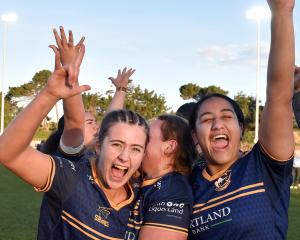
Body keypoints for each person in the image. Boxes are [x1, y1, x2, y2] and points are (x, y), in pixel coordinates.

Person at [0, 28, 150, 240]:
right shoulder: (72, 176)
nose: (125, 156)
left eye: (136, 148)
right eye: (116, 144)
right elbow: (9, 152)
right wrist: (52, 93)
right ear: (99, 144)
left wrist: (120, 91)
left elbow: (111, 120)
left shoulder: (141, 192)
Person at [188, 0, 295, 239]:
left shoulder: (263, 167)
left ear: (241, 127)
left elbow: (278, 96)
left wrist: (282, 11)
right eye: (206, 119)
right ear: (195, 135)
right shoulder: (185, 184)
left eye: (227, 116)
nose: (217, 124)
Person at [125, 114, 196, 240]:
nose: (139, 142)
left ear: (169, 147)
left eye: (146, 138)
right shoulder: (145, 178)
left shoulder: (173, 190)